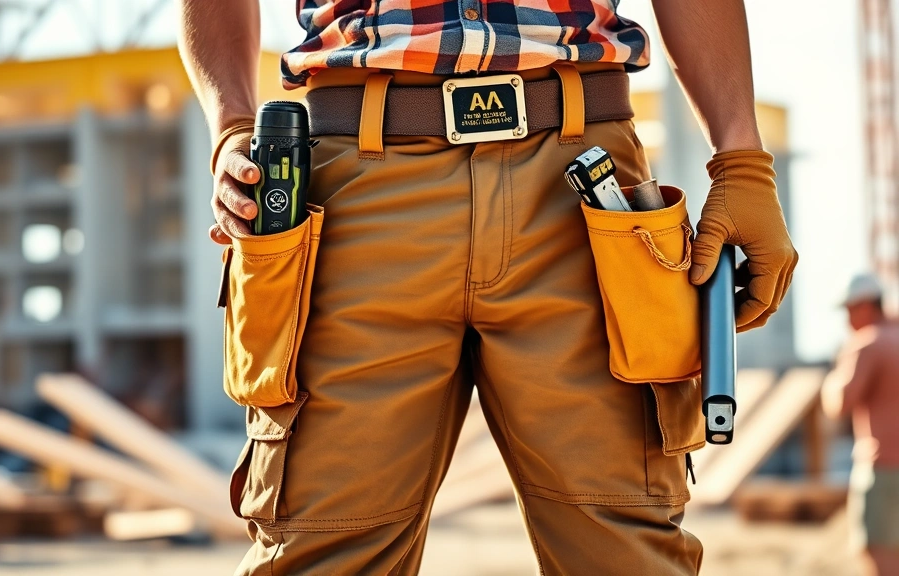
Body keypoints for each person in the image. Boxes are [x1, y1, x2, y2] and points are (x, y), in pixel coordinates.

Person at [177, 1, 798, 574]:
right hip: (355, 193)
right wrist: (232, 125)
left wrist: (741, 157)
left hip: (580, 185)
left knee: (627, 549)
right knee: (320, 545)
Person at [823, 274, 899, 576]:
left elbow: (840, 402)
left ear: (867, 306)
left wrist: (833, 377)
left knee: (876, 547)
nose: (847, 319)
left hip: (882, 467)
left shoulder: (866, 344)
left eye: (850, 309)